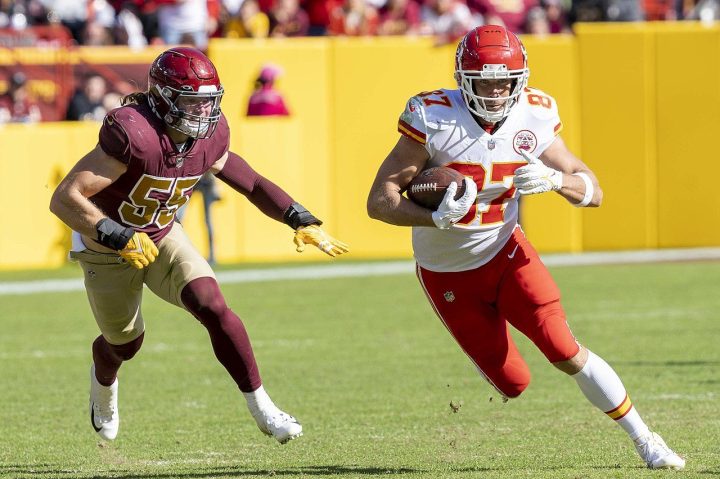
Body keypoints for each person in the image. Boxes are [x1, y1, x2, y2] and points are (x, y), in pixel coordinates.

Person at [366, 25, 685, 470]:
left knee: (565, 348)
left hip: (506, 252)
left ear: (521, 79)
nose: (495, 92)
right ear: (463, 78)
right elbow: (379, 201)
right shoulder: (431, 115)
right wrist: (431, 216)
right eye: (484, 82)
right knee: (514, 382)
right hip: (446, 271)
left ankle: (647, 440)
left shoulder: (536, 113)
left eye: (504, 81)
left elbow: (593, 190)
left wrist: (558, 181)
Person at [49, 47, 348, 444]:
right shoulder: (135, 135)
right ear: (163, 98)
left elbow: (252, 182)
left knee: (212, 303)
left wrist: (298, 216)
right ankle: (103, 383)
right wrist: (116, 235)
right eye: (192, 101)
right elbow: (65, 198)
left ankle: (263, 407)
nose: (203, 113)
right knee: (125, 343)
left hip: (160, 232)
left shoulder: (210, 137)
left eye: (208, 102)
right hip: (106, 248)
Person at [175, 171, 221, 265]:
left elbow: (215, 162)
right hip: (193, 181)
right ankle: (177, 252)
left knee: (208, 221)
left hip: (207, 181)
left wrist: (217, 188)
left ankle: (212, 255)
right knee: (179, 218)